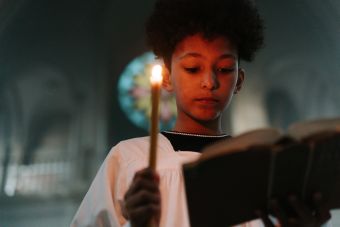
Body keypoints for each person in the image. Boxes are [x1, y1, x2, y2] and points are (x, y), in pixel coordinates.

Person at [71, 0, 332, 226]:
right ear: (167, 78)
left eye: (224, 69)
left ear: (239, 81)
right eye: (193, 68)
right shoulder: (130, 160)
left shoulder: (260, 167)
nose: (210, 82)